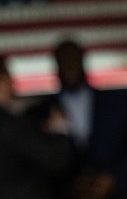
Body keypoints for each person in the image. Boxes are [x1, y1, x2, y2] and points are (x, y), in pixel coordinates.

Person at [26, 39, 127, 199]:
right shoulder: (40, 112)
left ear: (83, 60)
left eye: (73, 59)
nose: (69, 66)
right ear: (56, 65)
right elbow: (35, 161)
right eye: (63, 60)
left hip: (117, 193)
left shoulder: (117, 102)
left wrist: (114, 179)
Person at [0, 56, 76, 199]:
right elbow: (56, 160)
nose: (12, 83)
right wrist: (60, 127)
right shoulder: (12, 124)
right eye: (8, 77)